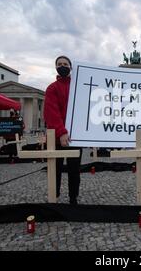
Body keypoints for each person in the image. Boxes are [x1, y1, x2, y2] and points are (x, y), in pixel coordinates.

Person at [44, 56, 82, 205]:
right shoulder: (52, 88)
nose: (62, 66)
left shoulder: (77, 87)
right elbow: (51, 113)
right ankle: (55, 196)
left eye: (65, 64)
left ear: (71, 67)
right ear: (56, 68)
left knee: (74, 170)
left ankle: (73, 197)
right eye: (59, 64)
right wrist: (61, 132)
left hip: (74, 137)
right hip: (56, 136)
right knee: (55, 169)